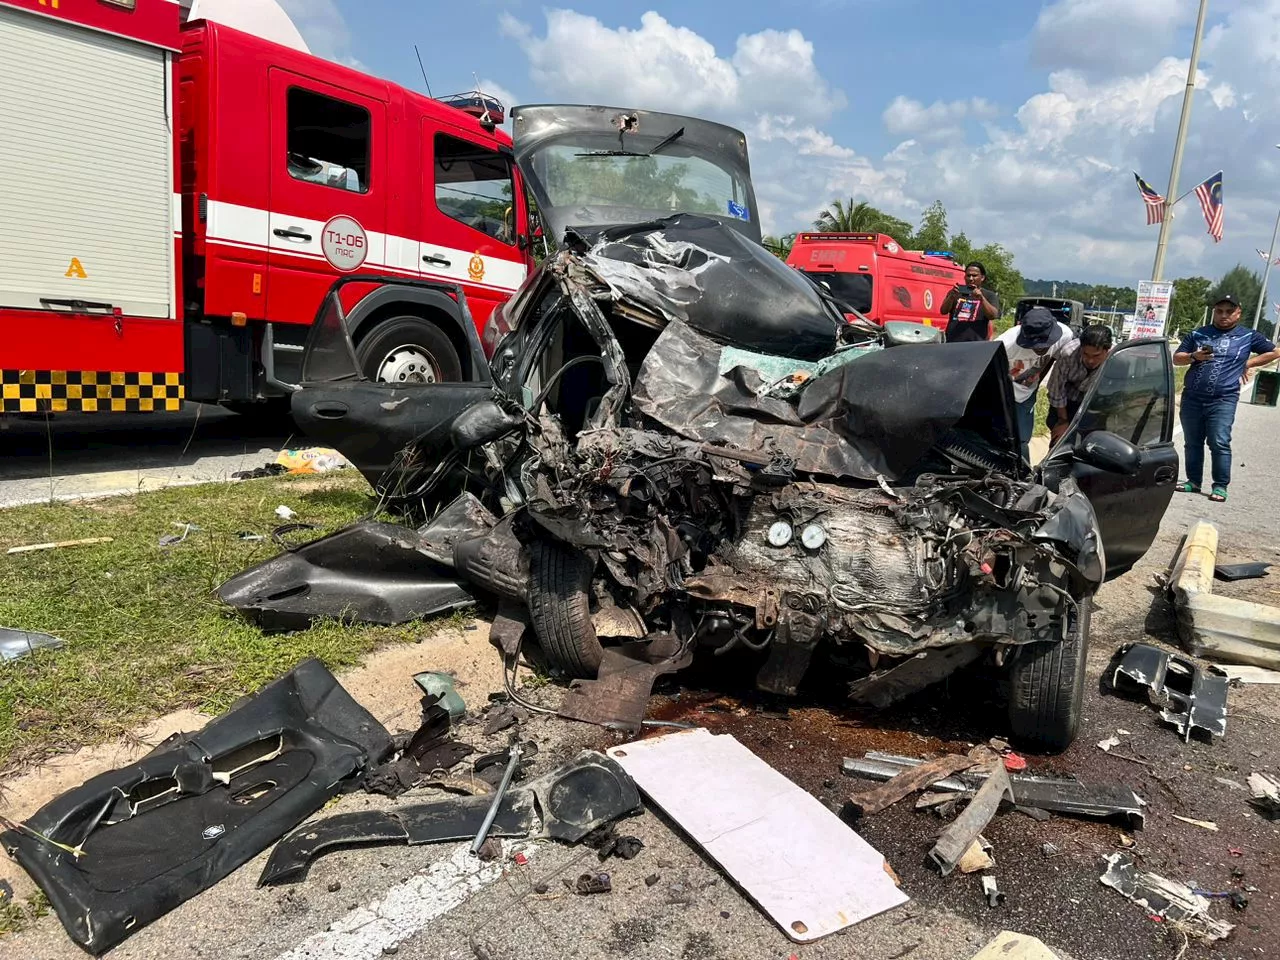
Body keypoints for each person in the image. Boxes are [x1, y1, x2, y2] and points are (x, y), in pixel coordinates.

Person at [1173, 293, 1280, 502]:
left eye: (1229, 311)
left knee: (1219, 441)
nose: (1224, 315)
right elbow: (1177, 358)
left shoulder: (1248, 336)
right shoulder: (1198, 333)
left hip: (1223, 399)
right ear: (1214, 312)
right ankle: (1193, 481)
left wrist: (1248, 364)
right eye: (1219, 311)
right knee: (1192, 442)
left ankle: (1220, 485)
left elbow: (1275, 352)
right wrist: (1194, 356)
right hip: (1192, 398)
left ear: (1238, 313)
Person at [996, 305, 1075, 459]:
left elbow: (1053, 358)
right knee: (998, 436)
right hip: (1000, 392)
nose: (1041, 349)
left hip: (1026, 393)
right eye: (1035, 345)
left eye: (1045, 344)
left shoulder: (1065, 335)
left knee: (1023, 438)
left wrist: (1037, 383)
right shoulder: (1005, 343)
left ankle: (1022, 474)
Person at [1046, 324, 1114, 445]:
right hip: (1065, 403)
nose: (1090, 360)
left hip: (1093, 405)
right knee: (1059, 443)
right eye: (1086, 354)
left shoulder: (1116, 358)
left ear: (1107, 350)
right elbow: (1056, 389)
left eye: (1096, 356)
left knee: (1092, 446)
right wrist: (1063, 421)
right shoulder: (1068, 353)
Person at [939, 261, 1001, 342]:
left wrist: (981, 298)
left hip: (976, 344)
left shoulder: (989, 295)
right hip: (953, 342)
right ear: (964, 277)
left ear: (982, 277)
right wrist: (951, 296)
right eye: (968, 275)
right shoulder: (956, 292)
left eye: (974, 276)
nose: (971, 279)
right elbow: (943, 311)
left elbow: (992, 315)